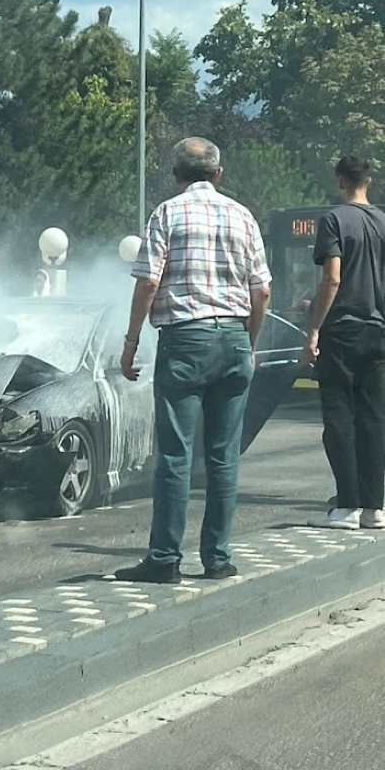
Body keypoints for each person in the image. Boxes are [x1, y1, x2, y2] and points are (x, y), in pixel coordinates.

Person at [117, 138, 271, 583]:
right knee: (224, 457)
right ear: (218, 174)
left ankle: (165, 560)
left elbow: (148, 282)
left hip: (185, 340)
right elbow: (261, 290)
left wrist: (131, 342)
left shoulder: (167, 213)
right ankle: (217, 559)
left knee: (176, 456)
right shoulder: (242, 216)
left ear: (176, 174)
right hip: (234, 339)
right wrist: (251, 342)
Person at [304, 156, 385, 531]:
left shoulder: (334, 220)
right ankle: (375, 507)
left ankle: (347, 505)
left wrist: (314, 329)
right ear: (368, 180)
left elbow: (332, 279)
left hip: (341, 330)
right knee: (374, 418)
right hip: (378, 331)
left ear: (340, 182)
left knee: (339, 418)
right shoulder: (383, 221)